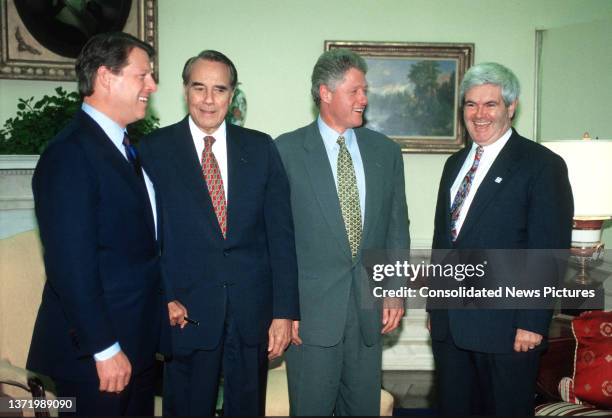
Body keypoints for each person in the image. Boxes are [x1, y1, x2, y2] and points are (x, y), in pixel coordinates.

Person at [138, 50, 299, 416]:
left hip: (251, 314)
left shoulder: (260, 148)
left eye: (219, 89)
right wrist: (162, 296)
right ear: (185, 91)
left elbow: (281, 236)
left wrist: (284, 312)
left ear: (232, 94)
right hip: (186, 313)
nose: (209, 100)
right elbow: (144, 241)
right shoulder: (153, 151)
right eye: (199, 88)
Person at [26, 32, 161, 416]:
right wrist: (104, 348)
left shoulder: (125, 147)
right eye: (143, 75)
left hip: (135, 345)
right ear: (105, 77)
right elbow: (71, 267)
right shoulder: (69, 155)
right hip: (96, 359)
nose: (152, 85)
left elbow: (137, 247)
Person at [428, 62, 573, 416]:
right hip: (451, 327)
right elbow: (444, 242)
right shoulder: (455, 163)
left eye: (490, 104)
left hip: (508, 330)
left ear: (511, 107)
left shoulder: (541, 165)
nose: (479, 114)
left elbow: (548, 251)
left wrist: (532, 322)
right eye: (471, 105)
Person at [275, 49, 410, 416]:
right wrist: (284, 311)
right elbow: (276, 240)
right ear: (325, 92)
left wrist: (395, 293)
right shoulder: (285, 151)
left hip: (369, 314)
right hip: (310, 318)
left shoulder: (385, 152)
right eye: (355, 91)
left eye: (364, 90)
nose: (364, 99)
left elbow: (397, 228)